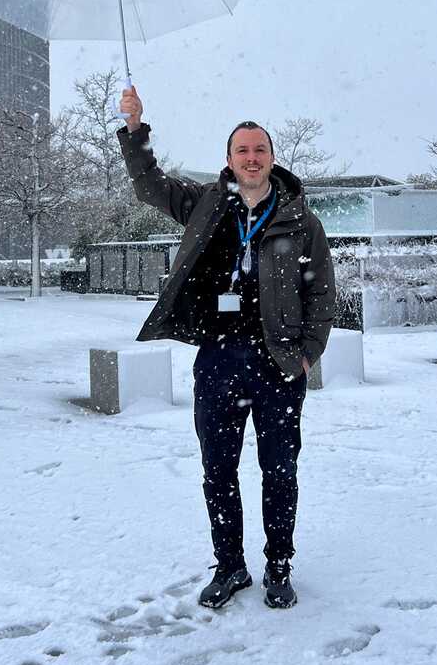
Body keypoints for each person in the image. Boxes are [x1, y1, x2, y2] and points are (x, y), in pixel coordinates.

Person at [118, 84, 336, 610]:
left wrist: (307, 354)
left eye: (260, 150)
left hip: (279, 363)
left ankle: (279, 568)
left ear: (272, 158)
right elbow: (149, 186)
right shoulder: (207, 204)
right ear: (229, 159)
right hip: (217, 359)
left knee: (280, 470)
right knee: (218, 468)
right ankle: (231, 566)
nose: (252, 158)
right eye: (243, 150)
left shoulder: (301, 221)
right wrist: (134, 130)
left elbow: (323, 294)